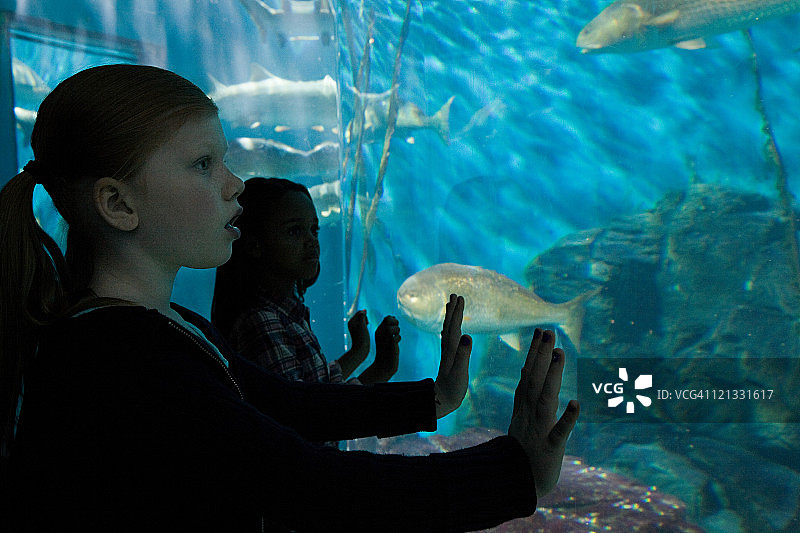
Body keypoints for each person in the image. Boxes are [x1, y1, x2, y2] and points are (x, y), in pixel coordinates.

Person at [0, 64, 579, 532]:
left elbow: (291, 404)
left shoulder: (163, 326)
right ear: (119, 205)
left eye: (224, 161)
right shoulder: (123, 362)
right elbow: (310, 484)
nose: (235, 185)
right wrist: (515, 474)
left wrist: (433, 397)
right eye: (204, 165)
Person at [212, 177, 399, 389]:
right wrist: (381, 369)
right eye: (294, 230)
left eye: (313, 229)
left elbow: (315, 386)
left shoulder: (285, 314)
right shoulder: (262, 323)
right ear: (255, 245)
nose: (311, 240)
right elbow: (308, 415)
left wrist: (360, 351)